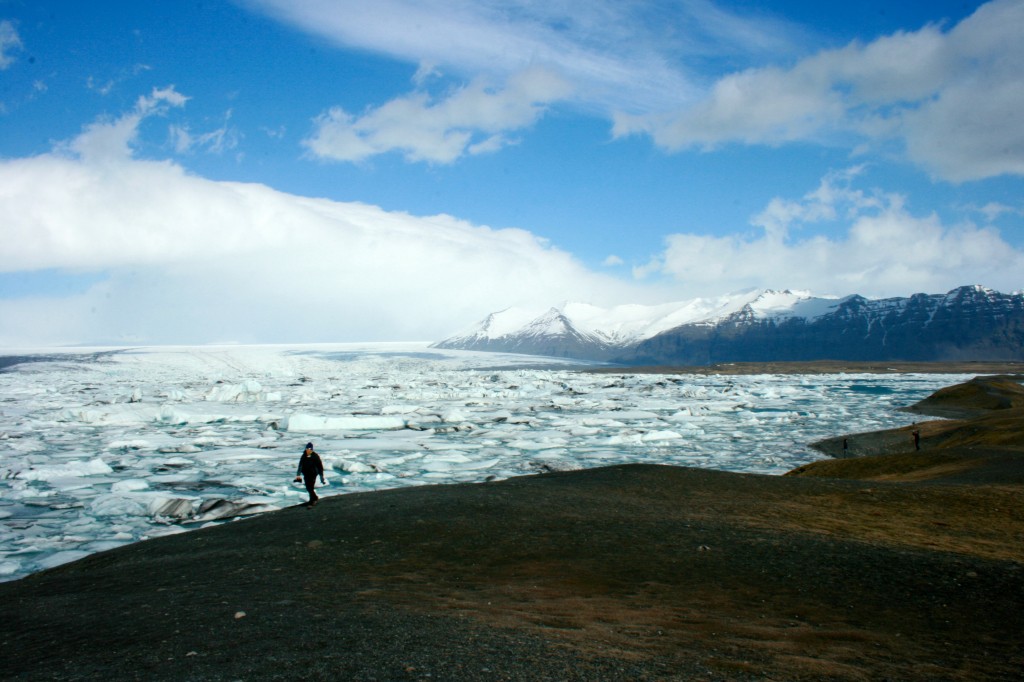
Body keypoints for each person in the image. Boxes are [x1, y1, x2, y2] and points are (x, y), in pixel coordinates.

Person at [294, 442, 325, 506]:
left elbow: (320, 466)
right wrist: (298, 474)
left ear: (312, 449)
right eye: (307, 449)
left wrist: (321, 476)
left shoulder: (315, 456)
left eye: (310, 449)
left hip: (313, 473)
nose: (308, 450)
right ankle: (314, 498)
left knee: (310, 486)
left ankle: (313, 500)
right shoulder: (304, 456)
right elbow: (301, 465)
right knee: (308, 487)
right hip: (306, 473)